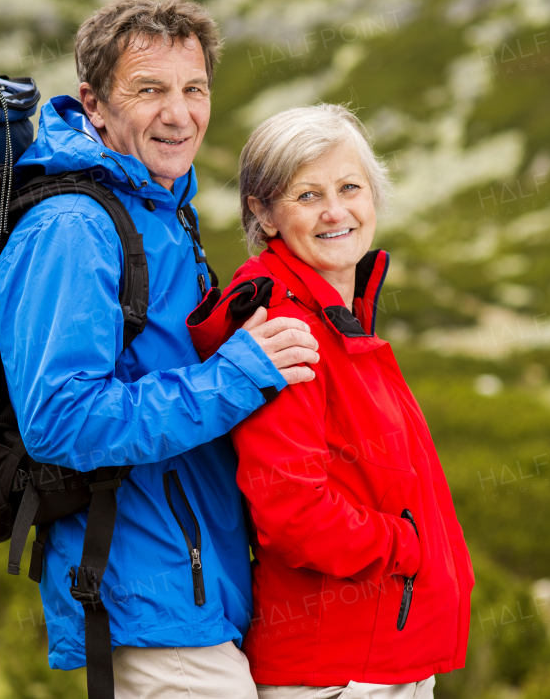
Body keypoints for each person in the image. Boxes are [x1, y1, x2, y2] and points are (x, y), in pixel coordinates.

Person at [0, 0, 321, 699]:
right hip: (145, 602)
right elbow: (61, 421)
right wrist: (238, 376)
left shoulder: (161, 210)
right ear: (95, 103)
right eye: (149, 90)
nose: (179, 114)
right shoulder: (71, 229)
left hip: (202, 591)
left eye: (193, 89)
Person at [188, 104, 475, 699]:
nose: (336, 211)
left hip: (372, 658)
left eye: (350, 187)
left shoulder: (334, 316)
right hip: (337, 673)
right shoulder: (289, 329)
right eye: (307, 195)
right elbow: (293, 512)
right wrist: (406, 546)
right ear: (263, 213)